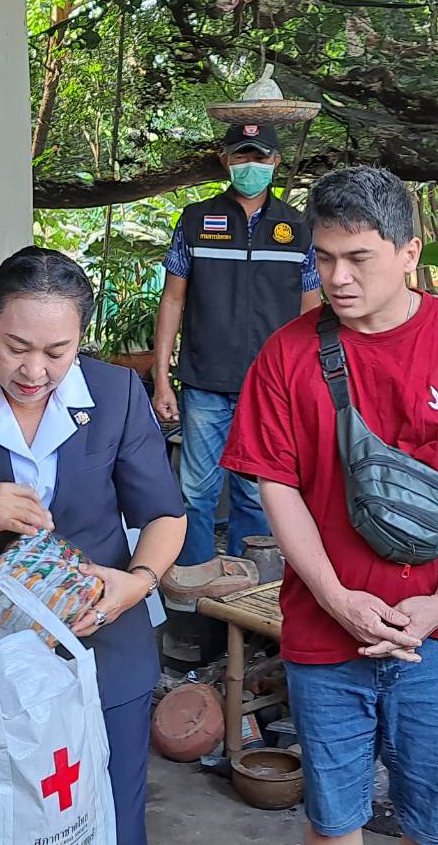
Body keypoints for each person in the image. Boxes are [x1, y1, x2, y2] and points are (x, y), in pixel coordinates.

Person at [221, 167, 438, 845]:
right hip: (321, 628)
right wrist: (336, 598)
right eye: (325, 258)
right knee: (334, 820)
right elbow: (275, 486)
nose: (337, 278)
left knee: (433, 822)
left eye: (358, 258)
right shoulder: (286, 354)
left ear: (408, 254)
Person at [0, 246, 186, 843]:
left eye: (57, 352)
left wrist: (139, 581)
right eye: (15, 347)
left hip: (105, 641)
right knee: (1, 818)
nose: (35, 371)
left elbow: (166, 516)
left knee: (114, 818)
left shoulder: (116, 393)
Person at [152, 122, 320, 566]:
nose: (251, 166)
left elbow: (311, 310)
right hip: (205, 380)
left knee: (257, 493)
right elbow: (172, 298)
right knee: (195, 492)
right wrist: (162, 378)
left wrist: (305, 380)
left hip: (270, 388)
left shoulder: (299, 229)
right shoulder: (194, 221)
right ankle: (193, 594)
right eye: (242, 156)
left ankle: (253, 594)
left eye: (260, 157)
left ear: (275, 163)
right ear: (226, 160)